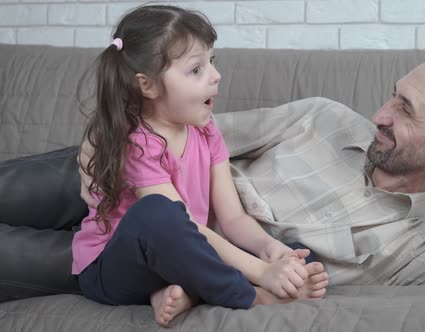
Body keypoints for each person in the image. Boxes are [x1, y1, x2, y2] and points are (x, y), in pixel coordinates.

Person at [80, 57, 425, 287]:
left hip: (163, 256)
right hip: (128, 175)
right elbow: (184, 135)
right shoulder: (324, 117)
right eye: (392, 95)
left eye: (406, 110)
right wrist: (98, 152)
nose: (381, 114)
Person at [72, 5, 328, 327]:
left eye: (212, 62)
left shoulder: (206, 131)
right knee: (158, 213)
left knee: (300, 253)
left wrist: (272, 251)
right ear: (147, 86)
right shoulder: (138, 144)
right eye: (196, 70)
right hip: (111, 268)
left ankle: (182, 292)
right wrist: (262, 274)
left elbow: (233, 218)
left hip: (184, 251)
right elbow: (183, 228)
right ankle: (253, 295)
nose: (215, 75)